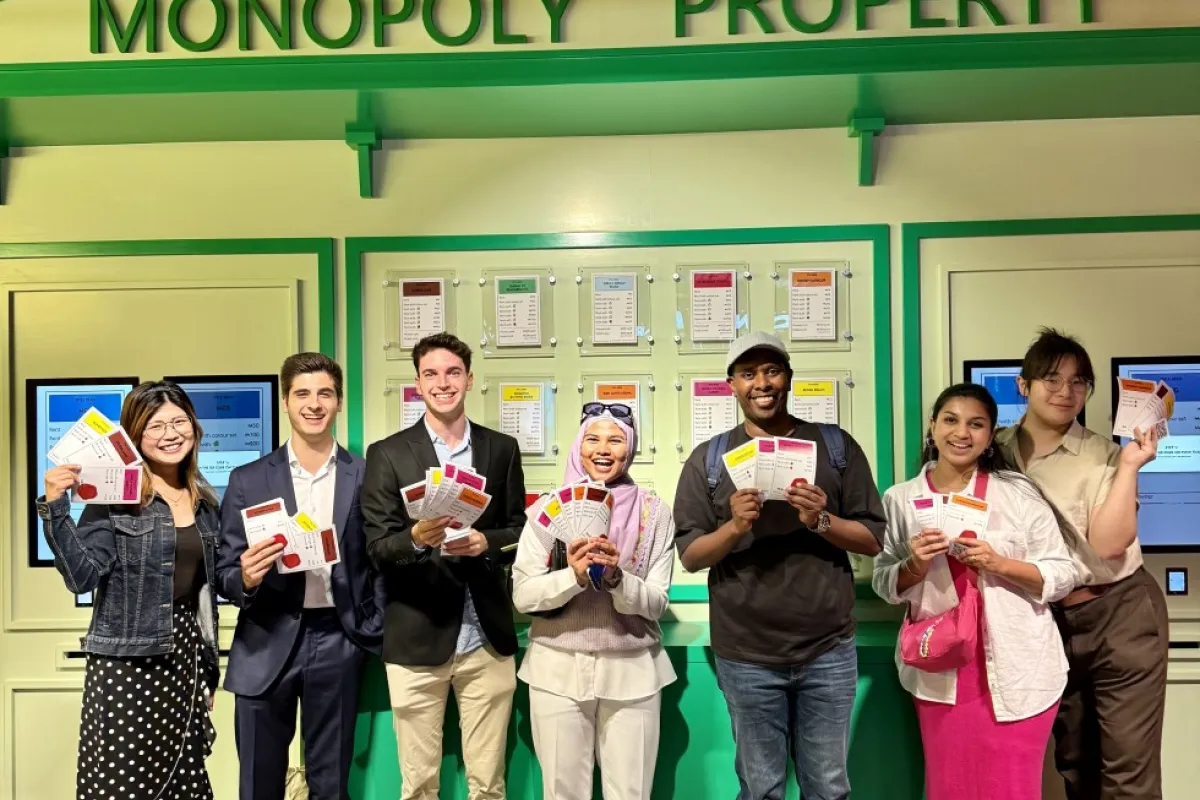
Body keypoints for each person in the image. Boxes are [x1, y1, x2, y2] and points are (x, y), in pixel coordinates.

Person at [672, 331, 886, 800]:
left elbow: (873, 540)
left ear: (788, 378)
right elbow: (689, 557)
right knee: (761, 788)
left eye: (772, 371)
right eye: (748, 374)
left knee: (828, 788)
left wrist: (820, 519)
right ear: (732, 384)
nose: (761, 383)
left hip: (827, 649)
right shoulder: (708, 461)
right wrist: (733, 526)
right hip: (745, 653)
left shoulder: (835, 447)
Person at [873, 383, 1078, 800]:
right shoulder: (901, 500)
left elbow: (1063, 574)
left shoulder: (1017, 494)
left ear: (989, 436)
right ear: (932, 427)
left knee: (1013, 787)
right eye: (950, 420)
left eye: (976, 424)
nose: (961, 433)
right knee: (951, 787)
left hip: (1019, 667)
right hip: (940, 669)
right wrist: (914, 564)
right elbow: (884, 582)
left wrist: (998, 564)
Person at [995, 328, 1168, 800]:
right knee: (1075, 762)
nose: (1065, 392)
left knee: (1126, 771)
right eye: (1051, 378)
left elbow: (1110, 544)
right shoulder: (993, 450)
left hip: (1119, 613)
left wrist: (1131, 466)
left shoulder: (1104, 455)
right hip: (1044, 621)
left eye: (1078, 382)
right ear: (1023, 385)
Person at [361, 332, 527, 800]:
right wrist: (414, 538)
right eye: (431, 374)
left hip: (486, 637)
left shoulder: (502, 448)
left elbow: (520, 530)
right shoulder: (388, 453)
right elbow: (375, 547)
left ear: (469, 379)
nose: (443, 382)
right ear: (417, 383)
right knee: (417, 786)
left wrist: (484, 542)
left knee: (489, 784)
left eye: (453, 372)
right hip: (416, 633)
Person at [36, 382, 221, 800]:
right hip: (127, 663)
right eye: (156, 426)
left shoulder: (205, 500)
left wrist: (207, 668)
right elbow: (81, 577)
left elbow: (205, 594)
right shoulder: (113, 496)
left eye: (179, 421)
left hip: (185, 657)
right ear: (134, 435)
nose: (171, 434)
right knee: (125, 786)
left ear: (194, 426)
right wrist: (55, 506)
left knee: (185, 780)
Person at [214, 353, 384, 800]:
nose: (314, 404)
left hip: (338, 637)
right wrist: (245, 578)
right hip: (264, 638)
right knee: (257, 784)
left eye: (324, 393)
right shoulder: (248, 480)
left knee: (330, 785)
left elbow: (380, 560)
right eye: (302, 394)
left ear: (338, 402)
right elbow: (224, 572)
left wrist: (372, 625)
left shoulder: (365, 475)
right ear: (286, 403)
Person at [512, 405, 677, 800]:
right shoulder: (546, 510)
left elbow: (656, 602)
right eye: (592, 438)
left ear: (631, 449)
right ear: (578, 447)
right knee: (563, 792)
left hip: (633, 672)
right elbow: (523, 595)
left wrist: (619, 580)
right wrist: (573, 577)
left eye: (616, 440)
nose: (603, 449)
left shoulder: (655, 514)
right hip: (556, 671)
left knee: (630, 792)